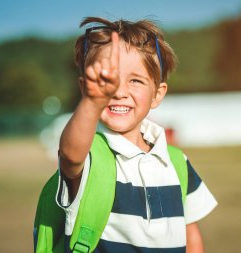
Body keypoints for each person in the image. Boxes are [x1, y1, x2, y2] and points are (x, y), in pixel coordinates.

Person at [57, 17, 217, 253]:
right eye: (107, 80)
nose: (119, 91)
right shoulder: (89, 154)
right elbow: (70, 155)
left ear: (157, 94)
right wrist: (92, 102)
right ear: (85, 88)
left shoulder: (176, 163)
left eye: (135, 80)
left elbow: (190, 233)